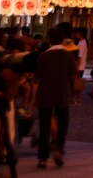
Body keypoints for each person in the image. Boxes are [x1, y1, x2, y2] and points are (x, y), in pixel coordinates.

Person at [34, 27, 76, 168]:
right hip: (62, 93)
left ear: (48, 39)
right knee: (63, 123)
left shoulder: (43, 56)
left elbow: (38, 78)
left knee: (44, 125)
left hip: (45, 93)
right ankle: (58, 148)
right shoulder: (68, 55)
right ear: (63, 39)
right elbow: (73, 75)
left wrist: (34, 98)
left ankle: (43, 158)